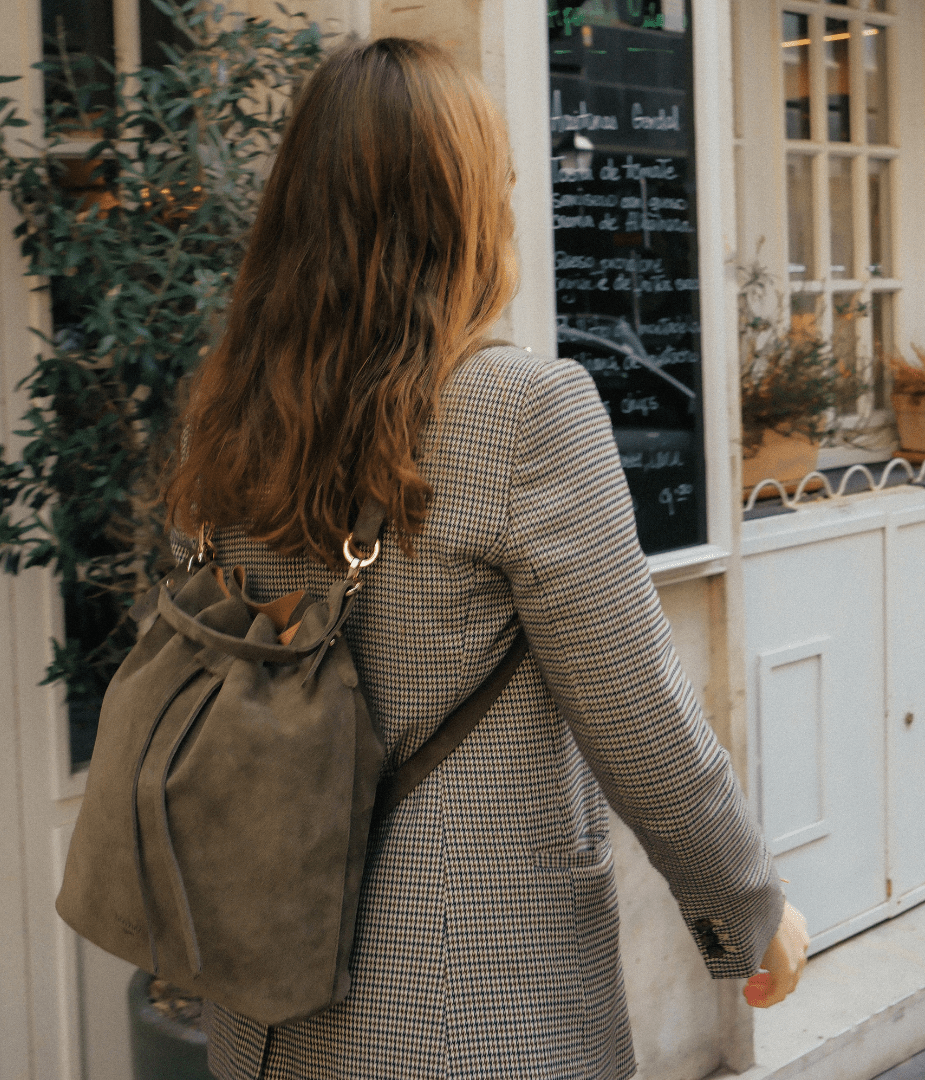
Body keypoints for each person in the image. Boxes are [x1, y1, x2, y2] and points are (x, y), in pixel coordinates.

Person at [165, 36, 808, 1080]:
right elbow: (641, 719)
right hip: (469, 1004)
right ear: (462, 213)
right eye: (500, 185)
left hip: (262, 992)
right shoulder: (519, 412)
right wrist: (750, 909)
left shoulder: (235, 408)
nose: (511, 209)